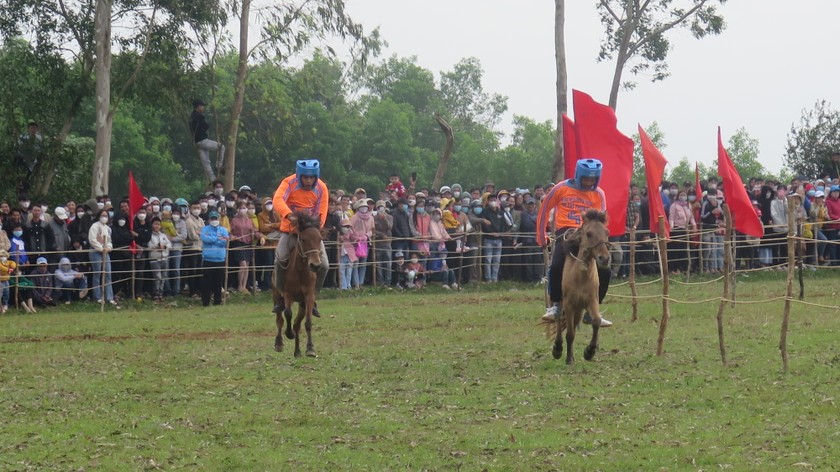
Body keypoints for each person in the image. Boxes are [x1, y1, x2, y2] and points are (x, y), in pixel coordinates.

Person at [537, 158, 613, 327]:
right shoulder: (561, 188)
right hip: (566, 231)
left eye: (592, 179)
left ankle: (594, 309)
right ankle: (556, 305)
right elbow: (544, 210)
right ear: (579, 175)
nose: (588, 182)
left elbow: (601, 220)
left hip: (589, 233)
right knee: (556, 265)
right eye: (586, 179)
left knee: (606, 270)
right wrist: (541, 236)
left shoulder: (599, 193)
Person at [271, 159, 330, 315]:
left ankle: (313, 296)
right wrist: (289, 215)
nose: (309, 181)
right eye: (305, 177)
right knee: (280, 259)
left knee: (324, 265)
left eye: (311, 178)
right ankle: (281, 297)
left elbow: (322, 212)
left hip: (310, 233)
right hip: (290, 230)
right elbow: (277, 199)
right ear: (299, 175)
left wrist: (315, 227)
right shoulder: (288, 183)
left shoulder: (322, 188)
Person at [88, 209, 119, 308]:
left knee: (108, 275)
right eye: (102, 215)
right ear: (99, 216)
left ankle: (109, 297)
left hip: (106, 252)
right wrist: (101, 248)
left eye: (106, 215)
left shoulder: (108, 228)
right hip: (95, 251)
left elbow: (109, 240)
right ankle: (97, 296)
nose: (104, 217)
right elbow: (92, 240)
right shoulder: (94, 226)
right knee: (97, 274)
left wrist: (109, 247)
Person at [190, 99, 225, 182]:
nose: (203, 108)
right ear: (198, 107)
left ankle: (213, 180)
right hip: (203, 140)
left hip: (196, 142)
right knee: (221, 147)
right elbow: (206, 126)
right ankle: (219, 165)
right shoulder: (199, 116)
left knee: (206, 163)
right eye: (202, 106)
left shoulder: (191, 116)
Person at [200, 211, 229, 306]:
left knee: (218, 283)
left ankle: (217, 301)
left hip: (220, 260)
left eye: (216, 218)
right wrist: (218, 238)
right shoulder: (204, 229)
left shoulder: (224, 230)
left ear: (219, 219)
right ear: (209, 220)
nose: (214, 220)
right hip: (208, 260)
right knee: (206, 283)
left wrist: (212, 238)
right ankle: (205, 302)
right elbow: (205, 239)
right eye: (212, 218)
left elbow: (225, 241)